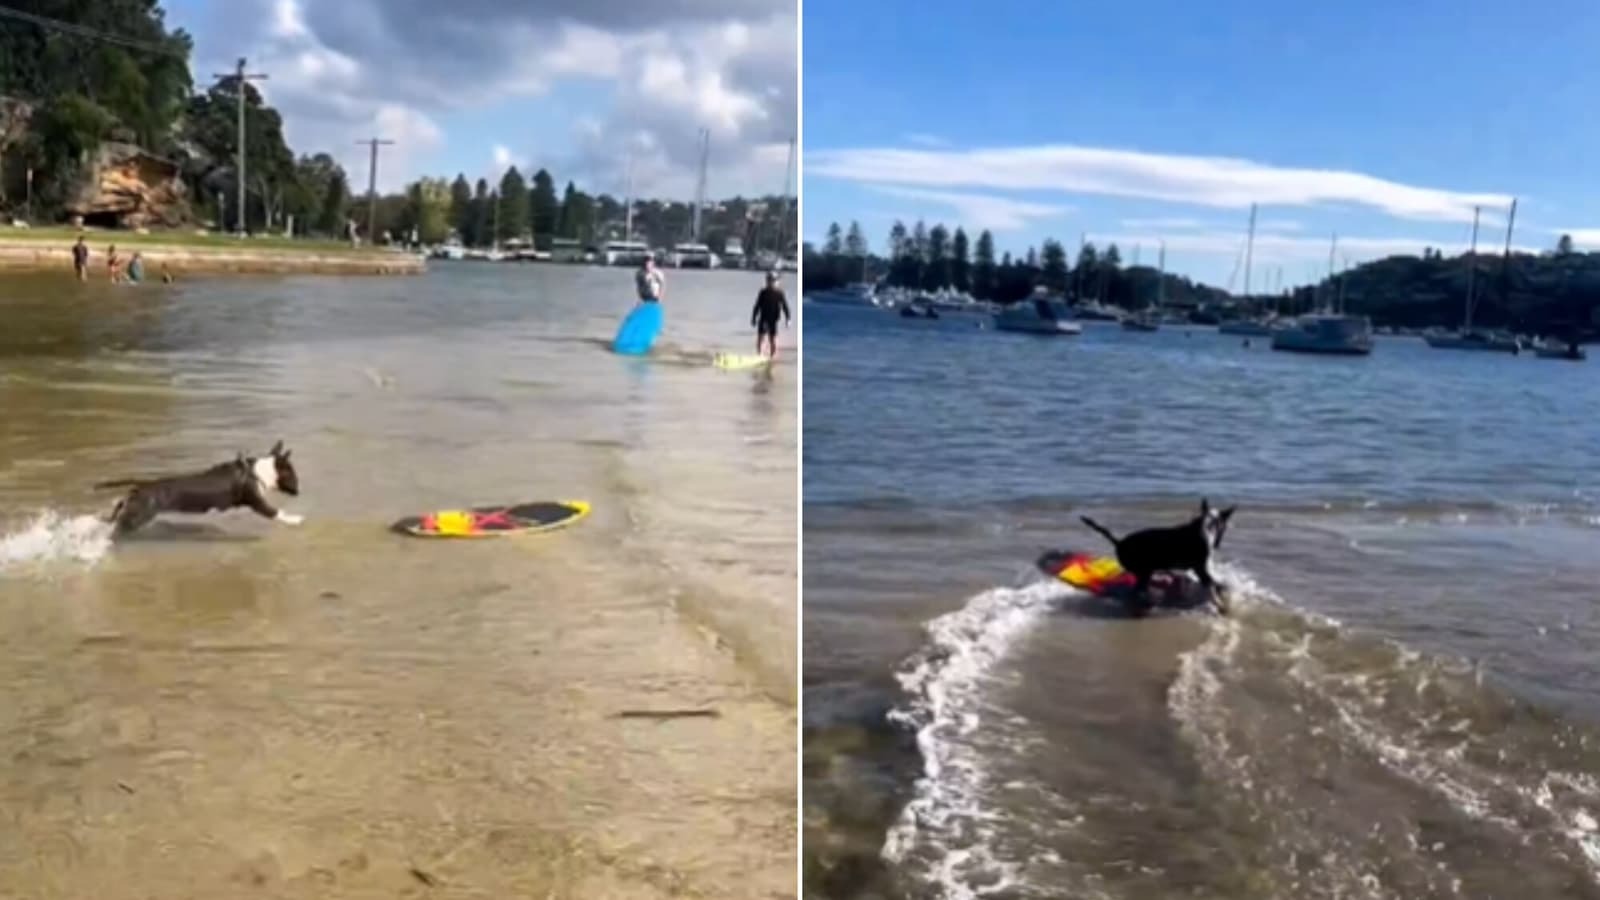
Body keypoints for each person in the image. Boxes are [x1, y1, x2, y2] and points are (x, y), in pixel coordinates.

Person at [751, 270, 790, 358]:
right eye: (768, 280)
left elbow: (785, 307)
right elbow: (757, 306)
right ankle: (759, 355)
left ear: (776, 282)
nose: (770, 282)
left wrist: (788, 319)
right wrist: (753, 318)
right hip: (763, 318)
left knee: (772, 339)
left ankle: (772, 356)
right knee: (760, 337)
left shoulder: (779, 293)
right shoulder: (763, 292)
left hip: (773, 320)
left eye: (772, 280)